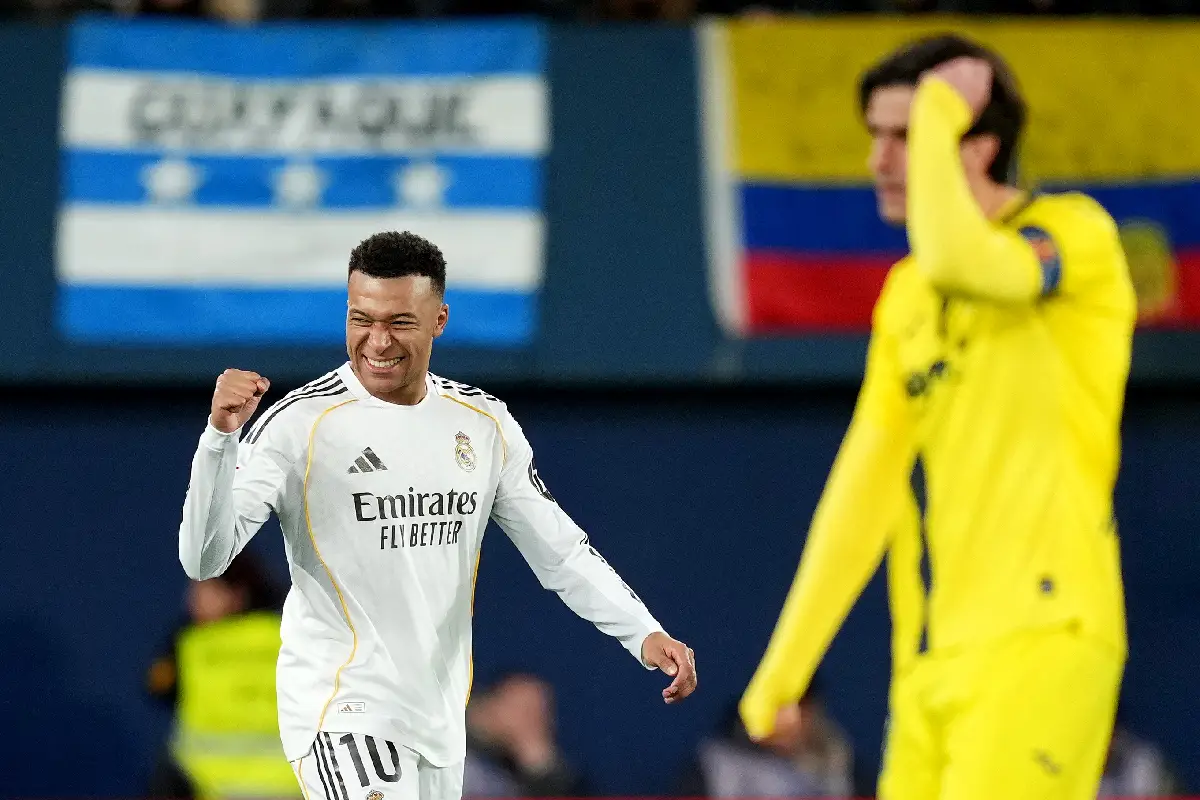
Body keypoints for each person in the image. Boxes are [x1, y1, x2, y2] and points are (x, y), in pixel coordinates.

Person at [739, 34, 1135, 800]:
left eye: (906, 135)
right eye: (878, 137)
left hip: (1045, 640)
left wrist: (946, 103)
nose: (879, 160)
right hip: (930, 665)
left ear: (980, 146)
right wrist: (786, 666)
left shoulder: (1073, 237)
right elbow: (864, 487)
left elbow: (966, 259)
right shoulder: (907, 298)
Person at [178, 230, 697, 800]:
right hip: (342, 711)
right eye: (361, 319)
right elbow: (206, 558)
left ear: (439, 319)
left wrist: (642, 630)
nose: (377, 341)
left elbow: (561, 552)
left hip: (438, 718)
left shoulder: (481, 424)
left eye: (399, 321)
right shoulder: (299, 424)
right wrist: (220, 440)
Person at [146, 550, 299, 800]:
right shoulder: (294, 636)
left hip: (206, 788)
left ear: (237, 593)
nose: (192, 601)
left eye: (206, 590)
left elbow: (156, 686)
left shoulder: (191, 645)